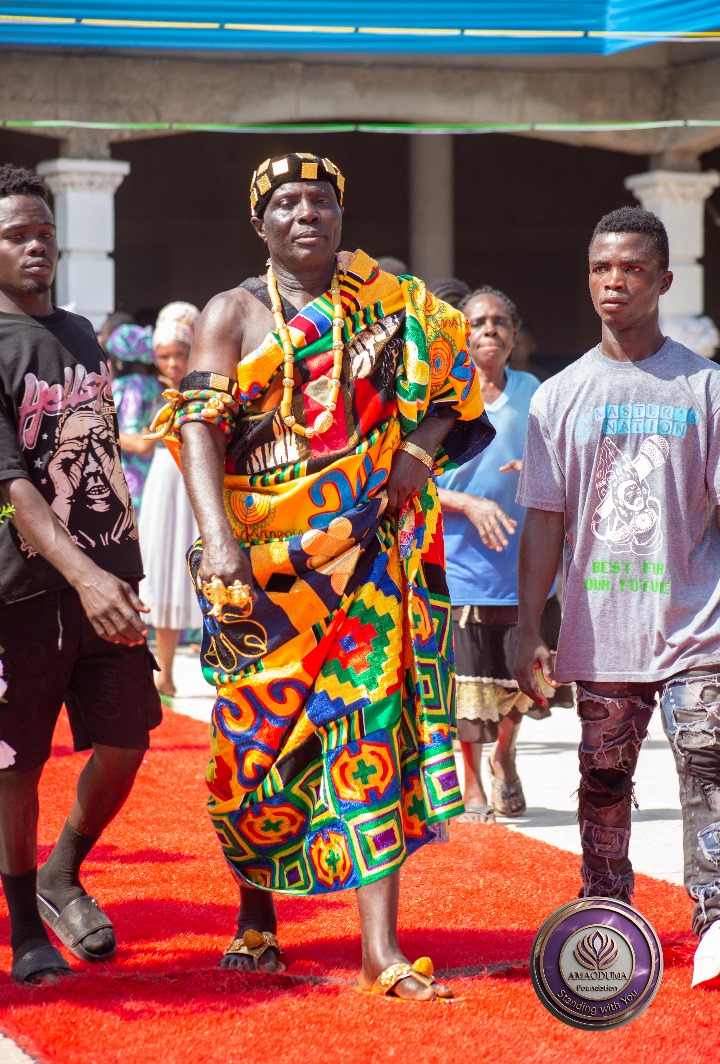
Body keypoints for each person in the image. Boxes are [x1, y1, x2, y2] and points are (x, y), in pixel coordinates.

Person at [154, 151, 493, 1000]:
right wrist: (218, 539)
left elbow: (457, 388)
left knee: (367, 728)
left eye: (321, 202)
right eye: (287, 203)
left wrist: (418, 453)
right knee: (252, 751)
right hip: (263, 571)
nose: (306, 214)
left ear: (341, 216)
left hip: (371, 556)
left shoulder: (395, 303)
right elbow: (197, 424)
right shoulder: (231, 313)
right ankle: (256, 920)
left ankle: (380, 949)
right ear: (259, 222)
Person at [515, 204, 720, 989]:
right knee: (603, 779)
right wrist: (527, 626)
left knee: (708, 764)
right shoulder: (559, 396)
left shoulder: (705, 387)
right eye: (603, 267)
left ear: (663, 281)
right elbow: (544, 519)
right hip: (602, 629)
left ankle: (715, 919)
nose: (615, 281)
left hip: (697, 622)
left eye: (633, 268)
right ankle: (606, 913)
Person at [0, 164, 162, 986]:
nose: (37, 246)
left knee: (127, 742)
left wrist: (116, 573)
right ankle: (27, 927)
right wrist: (83, 577)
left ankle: (62, 871)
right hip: (24, 595)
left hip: (112, 583)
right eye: (16, 235)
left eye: (45, 233)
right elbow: (15, 487)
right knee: (17, 765)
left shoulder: (80, 332)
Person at [436, 287, 567, 823]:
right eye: (477, 322)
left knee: (518, 683)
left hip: (523, 567)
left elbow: (558, 462)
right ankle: (471, 783)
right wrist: (467, 502)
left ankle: (504, 756)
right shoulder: (442, 397)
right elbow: (410, 478)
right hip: (460, 567)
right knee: (467, 684)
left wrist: (538, 470)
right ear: (461, 334)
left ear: (515, 335)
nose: (488, 329)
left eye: (498, 322)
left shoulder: (534, 392)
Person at [139, 301, 202, 697]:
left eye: (180, 354)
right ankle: (164, 672)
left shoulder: (209, 383)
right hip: (165, 481)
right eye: (164, 356)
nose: (173, 363)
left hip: (198, 480)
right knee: (163, 570)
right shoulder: (150, 392)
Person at [105, 322, 161, 516]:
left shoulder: (125, 387)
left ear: (120, 360)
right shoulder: (157, 384)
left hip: (130, 477)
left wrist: (99, 429)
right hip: (153, 474)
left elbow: (135, 439)